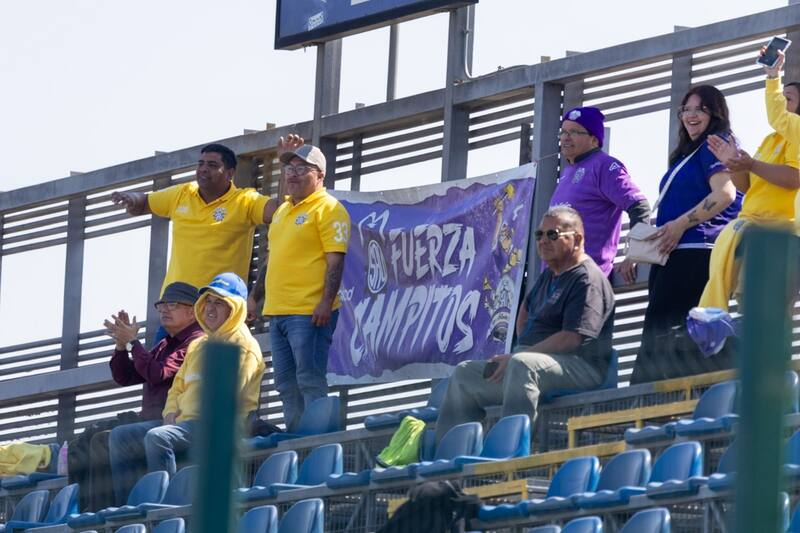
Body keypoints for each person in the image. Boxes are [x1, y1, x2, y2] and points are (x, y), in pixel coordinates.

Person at [434, 206, 615, 442]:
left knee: (521, 365)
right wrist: (522, 347)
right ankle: (448, 458)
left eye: (553, 235)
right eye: (539, 235)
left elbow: (573, 337)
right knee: (465, 374)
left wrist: (521, 354)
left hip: (581, 367)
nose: (543, 241)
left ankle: (511, 453)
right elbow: (525, 309)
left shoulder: (587, 279)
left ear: (577, 239)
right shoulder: (550, 275)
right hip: (531, 364)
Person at [108, 273, 265, 504]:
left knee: (158, 437)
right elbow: (176, 387)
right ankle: (130, 510)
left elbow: (227, 398)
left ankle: (168, 508)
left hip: (216, 426)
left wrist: (133, 343)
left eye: (219, 302)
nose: (211, 308)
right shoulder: (199, 345)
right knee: (120, 436)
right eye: (208, 302)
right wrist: (169, 412)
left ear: (236, 308)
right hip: (183, 424)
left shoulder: (244, 345)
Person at [631, 85, 742, 384]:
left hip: (697, 251)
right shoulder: (688, 154)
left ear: (715, 113)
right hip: (675, 253)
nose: (691, 116)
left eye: (700, 109)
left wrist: (680, 224)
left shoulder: (716, 144)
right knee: (669, 338)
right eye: (686, 109)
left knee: (667, 337)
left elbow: (725, 194)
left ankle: (641, 415)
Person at [69, 282, 202, 511]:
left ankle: (127, 508)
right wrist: (122, 346)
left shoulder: (196, 341)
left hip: (171, 423)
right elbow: (126, 376)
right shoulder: (164, 343)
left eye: (172, 304)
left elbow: (157, 373)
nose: (164, 310)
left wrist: (133, 342)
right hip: (149, 420)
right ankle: (96, 513)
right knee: (89, 441)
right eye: (161, 305)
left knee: (112, 438)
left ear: (192, 311)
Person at [109, 143, 280, 295]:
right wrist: (130, 198)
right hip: (176, 302)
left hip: (219, 304)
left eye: (212, 165)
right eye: (200, 164)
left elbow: (279, 211)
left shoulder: (245, 200)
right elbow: (144, 202)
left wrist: (286, 164)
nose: (203, 169)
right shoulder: (183, 193)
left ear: (230, 173)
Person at [262, 141, 350, 432]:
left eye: (302, 169)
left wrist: (326, 301)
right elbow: (273, 257)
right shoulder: (283, 210)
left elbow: (335, 262)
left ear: (320, 175)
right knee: (286, 384)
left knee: (310, 379)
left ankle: (316, 444)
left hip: (308, 312)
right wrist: (254, 297)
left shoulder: (329, 208)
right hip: (277, 313)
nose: (293, 174)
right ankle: (297, 443)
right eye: (289, 168)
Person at [700, 58, 800, 310]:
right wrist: (735, 164)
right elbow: (748, 186)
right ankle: (714, 323)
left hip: (781, 235)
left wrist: (772, 75)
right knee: (748, 305)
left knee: (766, 310)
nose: (781, 103)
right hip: (753, 229)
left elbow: (793, 178)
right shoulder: (771, 140)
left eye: (788, 98)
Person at [549, 106, 651, 282]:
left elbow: (639, 206)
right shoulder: (568, 172)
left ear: (594, 140)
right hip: (556, 283)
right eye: (563, 132)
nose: (566, 137)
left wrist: (636, 253)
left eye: (574, 132)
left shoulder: (604, 166)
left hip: (586, 280)